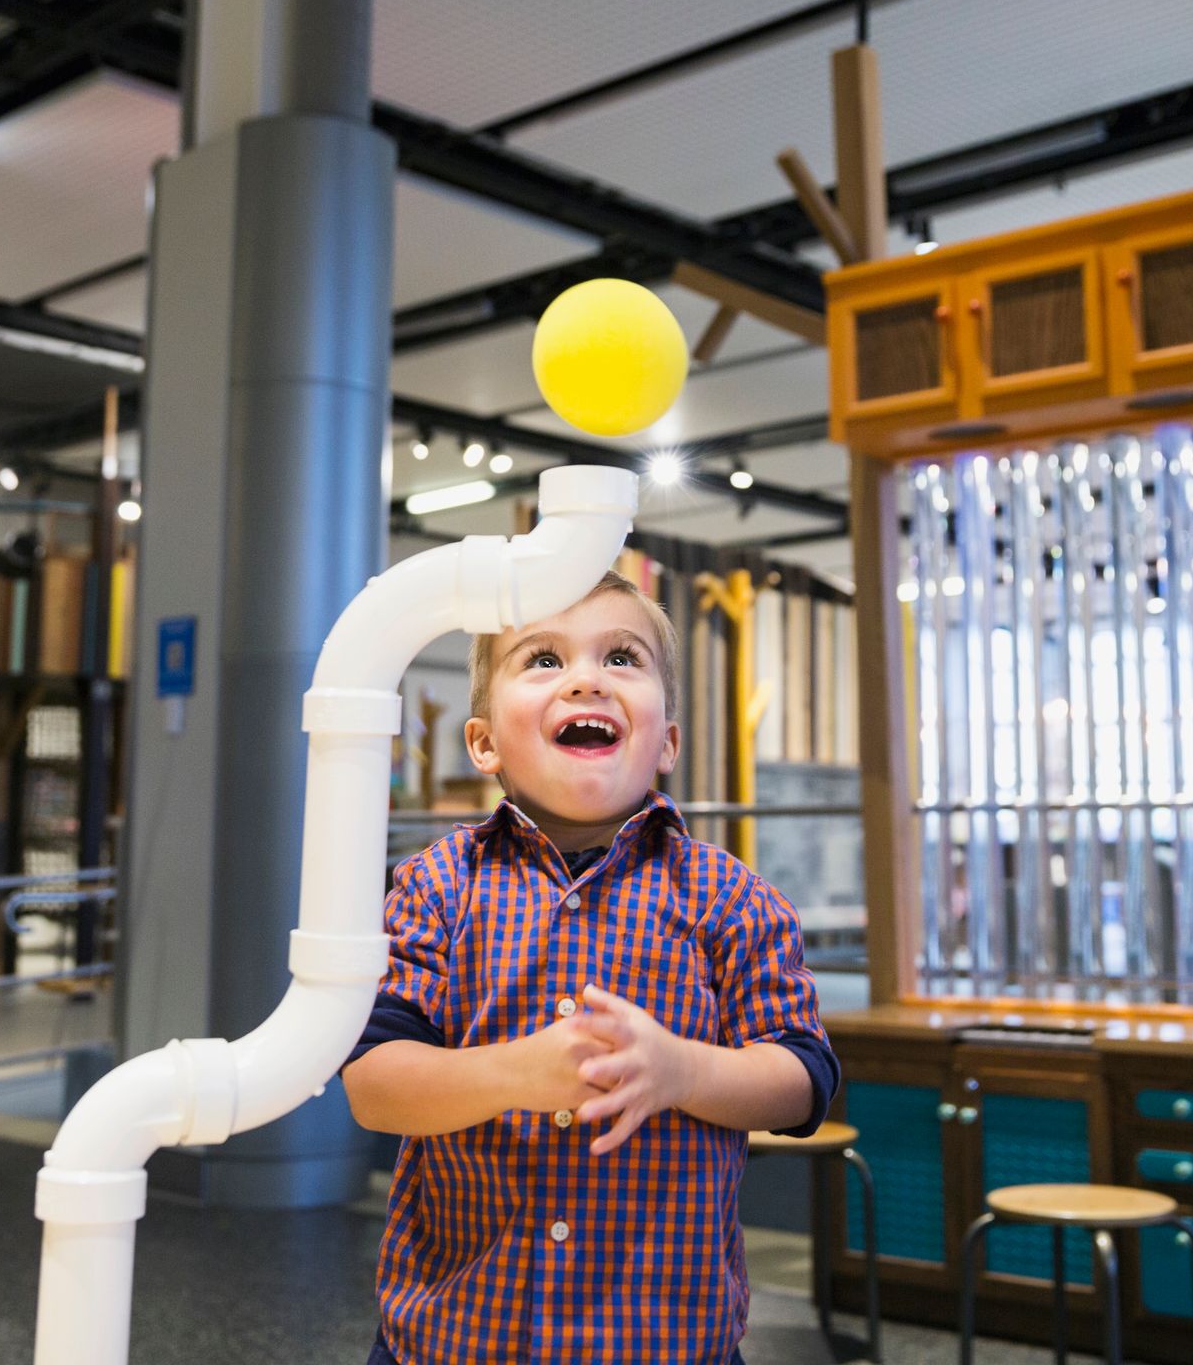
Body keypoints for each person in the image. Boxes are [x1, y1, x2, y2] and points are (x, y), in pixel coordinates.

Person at [342, 570, 837, 1365]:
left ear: (668, 739)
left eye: (621, 658)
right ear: (484, 742)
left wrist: (681, 1071)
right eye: (542, 659)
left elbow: (804, 1080)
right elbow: (373, 1083)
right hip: (452, 1340)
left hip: (666, 1341)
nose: (585, 679)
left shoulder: (732, 898)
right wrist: (515, 1075)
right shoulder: (437, 884)